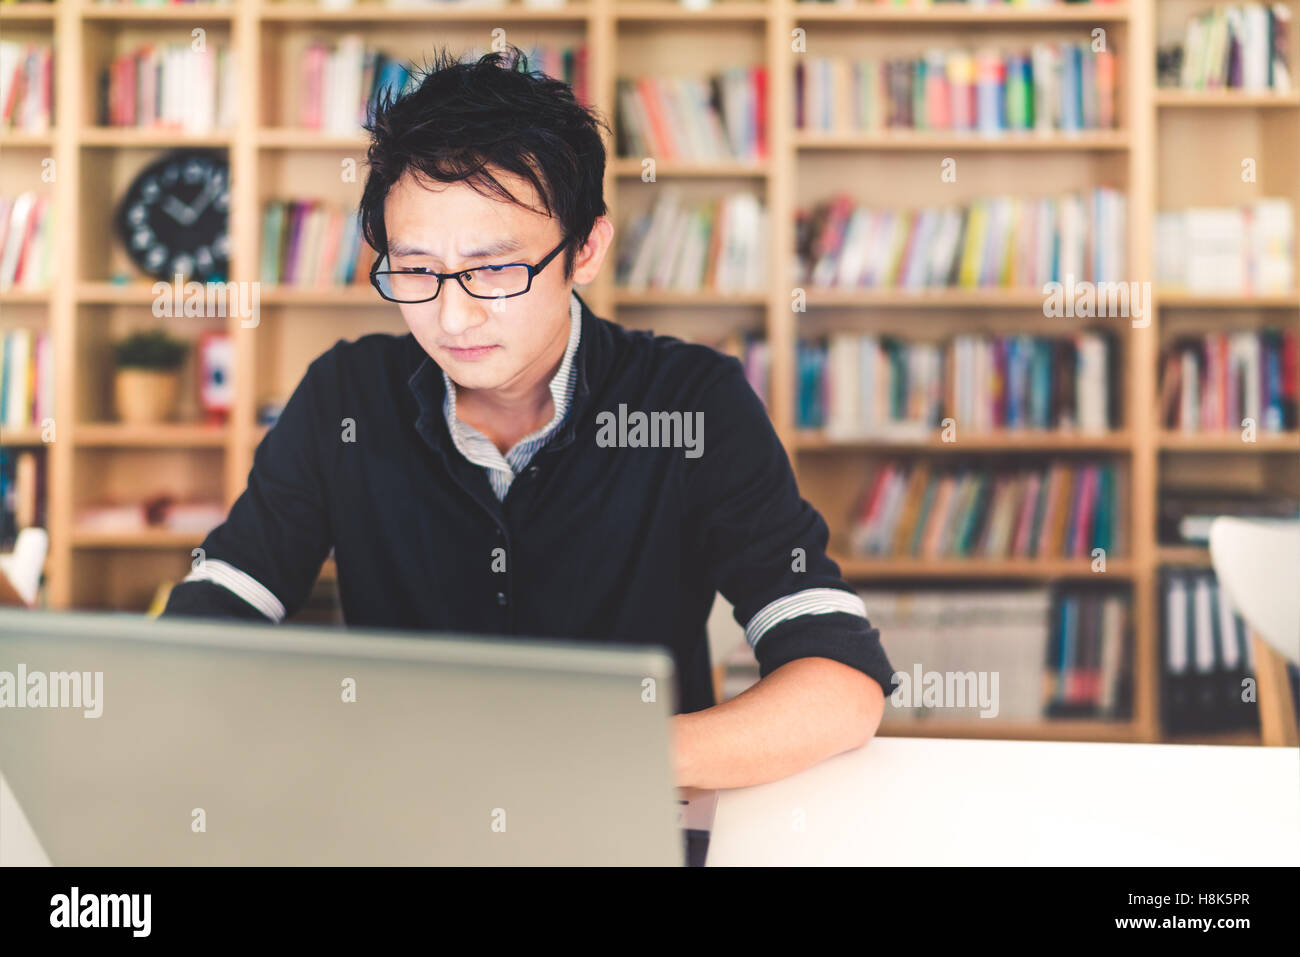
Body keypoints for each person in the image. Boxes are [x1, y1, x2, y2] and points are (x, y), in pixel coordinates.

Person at [162, 45, 896, 789]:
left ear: (585, 250)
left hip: (628, 813)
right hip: (407, 815)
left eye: (494, 268)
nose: (453, 315)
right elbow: (216, 614)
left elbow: (839, 683)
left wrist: (590, 759)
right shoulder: (345, 396)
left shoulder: (693, 402)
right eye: (415, 269)